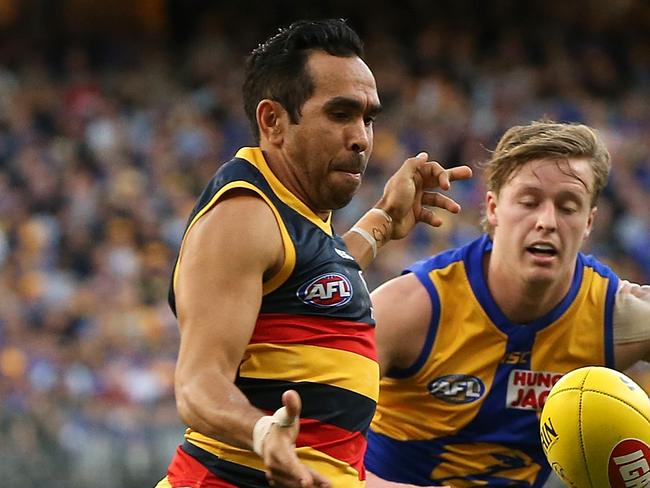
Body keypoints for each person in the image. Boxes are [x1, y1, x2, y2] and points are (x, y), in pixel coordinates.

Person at [155, 19, 472, 488]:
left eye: (368, 117)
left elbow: (320, 285)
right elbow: (197, 386)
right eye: (341, 114)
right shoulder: (244, 213)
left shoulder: (295, 213)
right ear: (273, 121)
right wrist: (263, 432)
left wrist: (383, 220)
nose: (362, 137)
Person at [365, 120, 650, 487]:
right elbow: (312, 446)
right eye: (529, 202)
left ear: (590, 222)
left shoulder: (616, 316)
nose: (546, 221)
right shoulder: (410, 307)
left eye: (568, 207)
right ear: (494, 208)